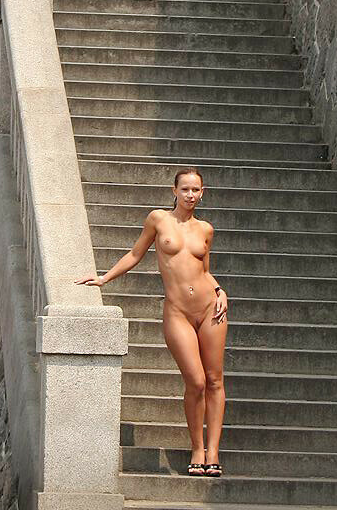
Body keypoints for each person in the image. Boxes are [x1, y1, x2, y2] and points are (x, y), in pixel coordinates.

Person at [75, 168, 228, 477]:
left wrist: (220, 290)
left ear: (203, 193)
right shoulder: (158, 219)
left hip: (211, 308)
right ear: (174, 191)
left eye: (195, 190)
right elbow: (135, 254)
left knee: (215, 380)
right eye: (185, 189)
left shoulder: (206, 229)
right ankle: (196, 447)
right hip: (178, 312)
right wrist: (104, 278)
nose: (190, 195)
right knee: (196, 381)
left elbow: (204, 270)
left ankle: (212, 452)